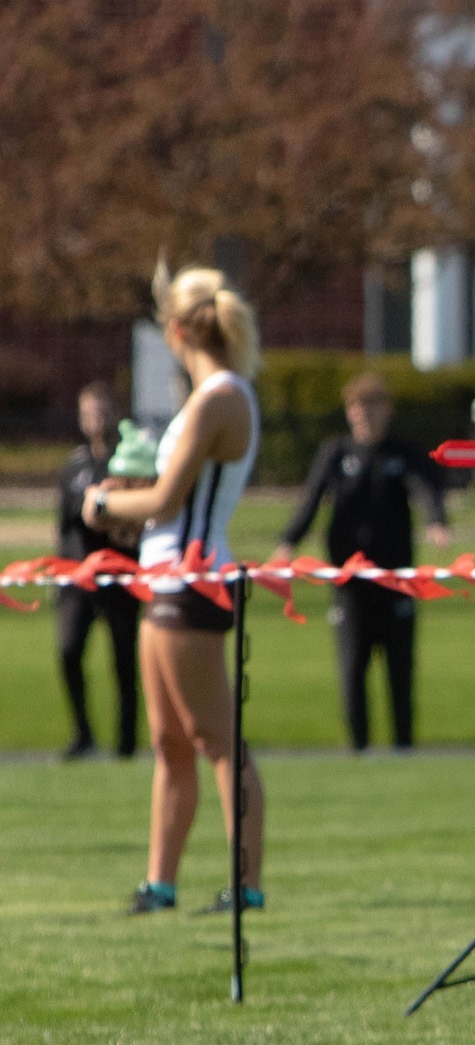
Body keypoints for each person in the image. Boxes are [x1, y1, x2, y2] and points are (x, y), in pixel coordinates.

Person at [83, 264, 266, 916]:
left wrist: (105, 501)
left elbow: (167, 498)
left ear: (182, 327)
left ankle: (246, 884)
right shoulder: (209, 395)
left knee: (216, 737)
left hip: (193, 577)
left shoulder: (221, 396)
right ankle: (159, 883)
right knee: (169, 741)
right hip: (164, 572)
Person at [273, 372, 451, 751]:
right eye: (355, 406)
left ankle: (404, 749)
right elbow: (310, 501)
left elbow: (426, 489)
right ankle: (359, 749)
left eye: (370, 406)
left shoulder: (402, 454)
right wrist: (288, 542)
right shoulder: (336, 453)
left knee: (400, 671)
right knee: (352, 670)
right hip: (350, 585)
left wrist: (436, 521)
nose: (362, 414)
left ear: (386, 410)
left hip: (395, 581)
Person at [55, 382, 143, 760]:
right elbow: (66, 522)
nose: (95, 419)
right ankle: (83, 734)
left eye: (102, 411)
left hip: (119, 576)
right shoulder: (74, 465)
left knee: (124, 659)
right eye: (88, 412)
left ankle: (126, 741)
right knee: (69, 651)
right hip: (78, 577)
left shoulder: (129, 463)